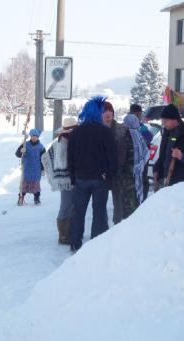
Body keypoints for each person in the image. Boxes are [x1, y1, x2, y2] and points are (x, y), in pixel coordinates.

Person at [68, 97, 117, 252]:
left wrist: (73, 178)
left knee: (78, 211)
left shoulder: (75, 132)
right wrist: (109, 175)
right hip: (100, 179)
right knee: (99, 212)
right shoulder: (105, 132)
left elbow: (70, 158)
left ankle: (75, 242)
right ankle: (96, 244)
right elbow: (113, 157)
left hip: (80, 179)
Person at [42, 117, 78, 245]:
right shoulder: (62, 143)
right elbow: (47, 157)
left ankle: (69, 233)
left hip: (70, 179)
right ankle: (63, 236)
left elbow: (47, 156)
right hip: (65, 180)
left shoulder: (64, 141)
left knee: (71, 206)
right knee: (66, 206)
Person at [153, 104, 184, 186]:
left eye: (165, 121)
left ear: (174, 120)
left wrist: (182, 156)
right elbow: (163, 155)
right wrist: (157, 169)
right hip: (169, 181)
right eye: (162, 121)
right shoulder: (166, 133)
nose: (163, 123)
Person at [118, 114, 150, 219]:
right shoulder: (141, 138)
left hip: (127, 179)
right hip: (139, 179)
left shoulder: (124, 138)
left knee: (127, 208)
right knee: (136, 207)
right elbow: (146, 157)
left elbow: (120, 160)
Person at [103, 101, 128, 224]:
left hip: (117, 171)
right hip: (101, 172)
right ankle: (103, 227)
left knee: (118, 200)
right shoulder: (97, 128)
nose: (108, 114)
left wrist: (117, 168)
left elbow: (124, 152)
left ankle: (118, 224)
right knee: (100, 202)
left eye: (110, 112)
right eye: (105, 112)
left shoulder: (121, 129)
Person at [129, 103, 153, 200]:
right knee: (143, 180)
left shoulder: (124, 124)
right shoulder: (140, 126)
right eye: (140, 114)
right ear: (137, 113)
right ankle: (142, 201)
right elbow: (149, 137)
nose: (140, 116)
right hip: (141, 158)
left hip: (129, 160)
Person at [16, 128, 45, 205]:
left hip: (36, 169)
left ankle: (37, 198)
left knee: (36, 185)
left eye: (36, 136)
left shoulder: (41, 147)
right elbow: (17, 154)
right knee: (24, 185)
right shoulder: (25, 145)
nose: (34, 137)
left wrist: (43, 169)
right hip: (27, 169)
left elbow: (43, 159)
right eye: (33, 136)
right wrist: (21, 150)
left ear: (38, 137)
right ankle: (21, 198)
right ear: (30, 136)